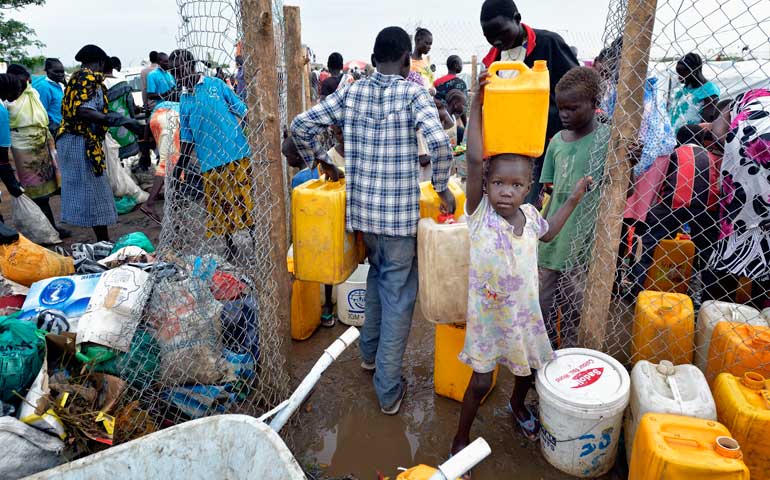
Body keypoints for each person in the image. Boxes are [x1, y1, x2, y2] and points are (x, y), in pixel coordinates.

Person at [291, 26, 455, 415]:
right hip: (398, 219)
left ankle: (368, 355)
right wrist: (442, 185)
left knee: (381, 279)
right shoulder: (412, 91)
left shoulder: (351, 90)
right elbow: (440, 142)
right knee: (399, 297)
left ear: (373, 54)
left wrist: (322, 158)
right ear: (404, 60)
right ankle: (387, 388)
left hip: (363, 216)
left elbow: (300, 125)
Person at [452, 69, 591, 455]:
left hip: (525, 315)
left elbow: (549, 233)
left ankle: (516, 405)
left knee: (526, 370)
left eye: (515, 186)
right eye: (498, 184)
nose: (505, 192)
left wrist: (574, 198)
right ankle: (461, 435)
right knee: (480, 382)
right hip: (488, 316)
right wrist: (478, 104)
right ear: (486, 184)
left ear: (527, 187)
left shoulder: (530, 216)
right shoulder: (480, 215)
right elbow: (477, 160)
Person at [538, 67, 611, 349]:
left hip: (582, 244)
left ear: (594, 105)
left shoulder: (608, 139)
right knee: (541, 305)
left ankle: (568, 355)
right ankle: (542, 355)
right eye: (561, 108)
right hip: (551, 241)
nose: (564, 114)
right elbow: (548, 190)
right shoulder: (556, 141)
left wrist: (628, 160)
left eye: (572, 108)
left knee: (574, 307)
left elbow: (623, 188)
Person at [480, 0, 579, 206]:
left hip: (541, 142)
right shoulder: (494, 59)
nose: (496, 41)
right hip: (505, 144)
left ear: (517, 19)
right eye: (489, 36)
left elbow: (577, 86)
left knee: (523, 204)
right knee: (503, 205)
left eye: (501, 32)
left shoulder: (548, 44)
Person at [170, 49, 253, 257]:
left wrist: (257, 131)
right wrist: (181, 164)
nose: (178, 76)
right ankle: (230, 245)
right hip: (209, 161)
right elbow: (187, 137)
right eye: (174, 73)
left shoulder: (215, 85)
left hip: (236, 152)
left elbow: (240, 109)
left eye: (180, 70)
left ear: (191, 66)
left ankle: (255, 237)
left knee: (245, 201)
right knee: (220, 206)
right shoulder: (185, 100)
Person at [56, 44, 143, 242]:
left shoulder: (81, 78)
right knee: (95, 193)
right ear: (102, 62)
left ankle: (101, 239)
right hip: (80, 142)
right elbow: (83, 111)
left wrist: (125, 121)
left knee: (94, 192)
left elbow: (94, 110)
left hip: (77, 140)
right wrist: (120, 120)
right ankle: (103, 242)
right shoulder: (87, 78)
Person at [629, 123, 722, 299]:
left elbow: (660, 181)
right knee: (708, 250)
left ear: (677, 140)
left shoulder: (674, 154)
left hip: (673, 203)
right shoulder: (710, 156)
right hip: (706, 207)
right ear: (702, 141)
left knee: (649, 240)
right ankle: (708, 299)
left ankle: (637, 288)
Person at [707, 90, 770, 308]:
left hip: (745, 164)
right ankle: (758, 316)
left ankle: (717, 313)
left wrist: (738, 150)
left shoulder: (746, 98)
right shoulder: (756, 96)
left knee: (732, 236)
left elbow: (717, 131)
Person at [283, 127, 345, 327]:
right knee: (327, 268)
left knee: (310, 267)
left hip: (308, 229)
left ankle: (316, 307)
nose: (287, 161)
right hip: (328, 225)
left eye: (288, 156)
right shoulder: (321, 169)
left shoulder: (299, 179)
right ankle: (328, 309)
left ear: (296, 156)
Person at [2, 69, 69, 238]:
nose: (25, 85)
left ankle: (49, 228)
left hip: (41, 145)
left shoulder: (32, 95)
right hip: (23, 150)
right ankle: (42, 232)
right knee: (34, 193)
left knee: (46, 193)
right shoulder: (6, 106)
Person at [141, 99, 180, 224]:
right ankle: (149, 203)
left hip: (155, 120)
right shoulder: (180, 106)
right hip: (171, 119)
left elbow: (147, 126)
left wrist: (145, 151)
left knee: (171, 161)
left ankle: (174, 202)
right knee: (168, 161)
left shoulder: (160, 106)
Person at [669, 52, 720, 132]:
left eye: (682, 75)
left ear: (693, 71)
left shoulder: (709, 91)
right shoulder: (686, 87)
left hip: (690, 137)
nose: (679, 78)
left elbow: (706, 123)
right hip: (671, 135)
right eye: (679, 74)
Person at [31, 58, 66, 135]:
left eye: (62, 71)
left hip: (60, 127)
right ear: (47, 71)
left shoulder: (58, 85)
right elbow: (41, 111)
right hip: (51, 129)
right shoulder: (44, 87)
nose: (60, 74)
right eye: (56, 72)